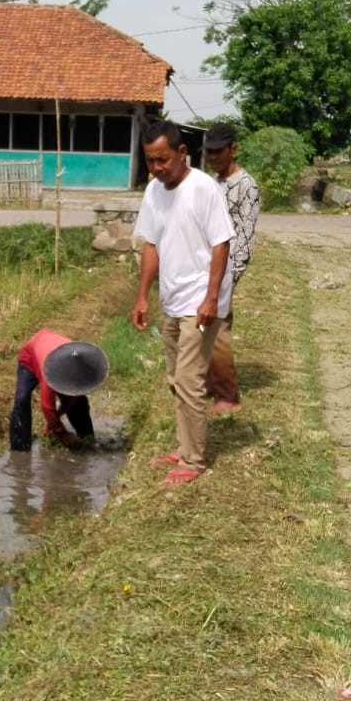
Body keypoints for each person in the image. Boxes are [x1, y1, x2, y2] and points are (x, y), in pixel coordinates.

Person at [131, 118, 233, 485]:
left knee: (190, 380)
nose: (157, 168)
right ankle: (184, 446)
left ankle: (194, 461)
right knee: (176, 378)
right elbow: (151, 244)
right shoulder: (154, 192)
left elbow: (221, 242)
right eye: (150, 161)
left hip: (199, 303)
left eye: (163, 160)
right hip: (171, 299)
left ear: (181, 152)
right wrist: (143, 296)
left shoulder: (204, 189)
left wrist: (211, 298)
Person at [203, 120, 261, 414]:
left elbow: (245, 238)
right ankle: (210, 385)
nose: (213, 158)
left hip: (225, 271)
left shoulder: (246, 186)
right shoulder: (212, 182)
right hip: (207, 268)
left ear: (233, 149)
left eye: (218, 152)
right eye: (209, 152)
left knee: (219, 329)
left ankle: (227, 396)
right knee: (206, 327)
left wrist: (229, 278)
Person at [9, 330, 109, 451]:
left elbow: (75, 396)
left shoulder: (80, 363)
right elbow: (47, 406)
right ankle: (20, 448)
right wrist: (61, 433)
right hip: (31, 354)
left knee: (80, 403)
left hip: (50, 345)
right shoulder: (50, 372)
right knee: (22, 399)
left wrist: (52, 422)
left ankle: (87, 440)